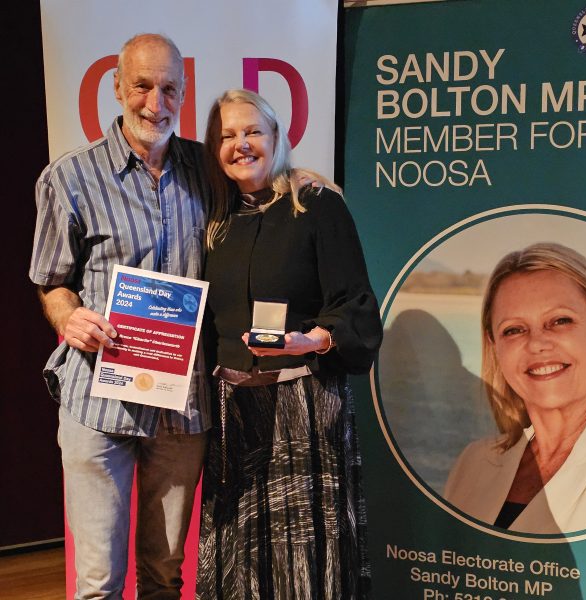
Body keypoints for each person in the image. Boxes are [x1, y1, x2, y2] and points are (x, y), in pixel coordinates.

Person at [29, 34, 210, 598]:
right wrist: (69, 318)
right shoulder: (70, 177)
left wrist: (304, 181)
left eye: (170, 89)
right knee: (98, 583)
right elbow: (52, 282)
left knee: (164, 578)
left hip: (179, 408)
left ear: (184, 92)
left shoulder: (208, 171)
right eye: (142, 86)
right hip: (97, 402)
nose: (156, 103)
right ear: (116, 87)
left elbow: (266, 180)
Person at [196, 89, 382, 599]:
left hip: (304, 403)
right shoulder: (214, 221)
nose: (241, 144)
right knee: (238, 563)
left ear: (277, 137)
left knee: (304, 562)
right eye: (228, 135)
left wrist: (313, 340)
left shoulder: (317, 205)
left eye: (253, 131)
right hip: (231, 413)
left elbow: (356, 304)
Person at [445, 242, 586, 534]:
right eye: (514, 330)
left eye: (560, 320)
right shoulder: (474, 462)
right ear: (494, 345)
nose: (537, 343)